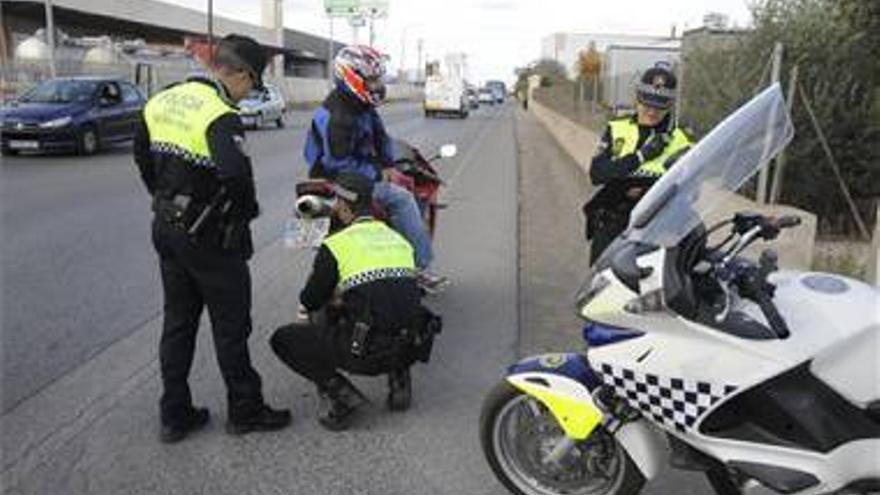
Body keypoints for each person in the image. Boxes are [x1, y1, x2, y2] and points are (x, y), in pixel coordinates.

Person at [134, 34, 291, 443]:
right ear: (238, 73)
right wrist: (244, 215)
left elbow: (141, 156)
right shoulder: (220, 113)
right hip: (208, 237)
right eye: (253, 83)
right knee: (230, 325)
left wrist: (163, 196)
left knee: (178, 323)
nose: (250, 93)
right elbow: (236, 176)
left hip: (166, 228)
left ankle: (175, 414)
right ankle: (245, 410)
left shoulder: (162, 99)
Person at [270, 172, 440, 431]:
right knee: (390, 307)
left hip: (366, 352)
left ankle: (342, 397)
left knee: (284, 339)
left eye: (337, 201)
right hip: (410, 346)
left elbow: (310, 299)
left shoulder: (337, 244)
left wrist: (333, 298)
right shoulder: (398, 239)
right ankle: (400, 380)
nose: (335, 206)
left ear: (344, 207)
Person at [303, 45, 448, 292]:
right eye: (371, 79)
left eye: (377, 79)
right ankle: (421, 268)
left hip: (346, 175)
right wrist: (379, 172)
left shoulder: (360, 105)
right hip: (339, 181)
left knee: (397, 186)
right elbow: (339, 162)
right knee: (402, 198)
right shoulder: (337, 115)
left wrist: (389, 164)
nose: (377, 84)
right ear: (351, 77)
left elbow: (381, 137)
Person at [583, 63, 694, 263]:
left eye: (659, 107)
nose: (651, 112)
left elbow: (690, 190)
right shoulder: (617, 128)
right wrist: (641, 157)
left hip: (655, 230)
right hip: (613, 223)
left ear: (670, 105)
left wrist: (643, 190)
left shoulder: (681, 139)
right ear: (637, 98)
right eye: (647, 104)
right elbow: (597, 174)